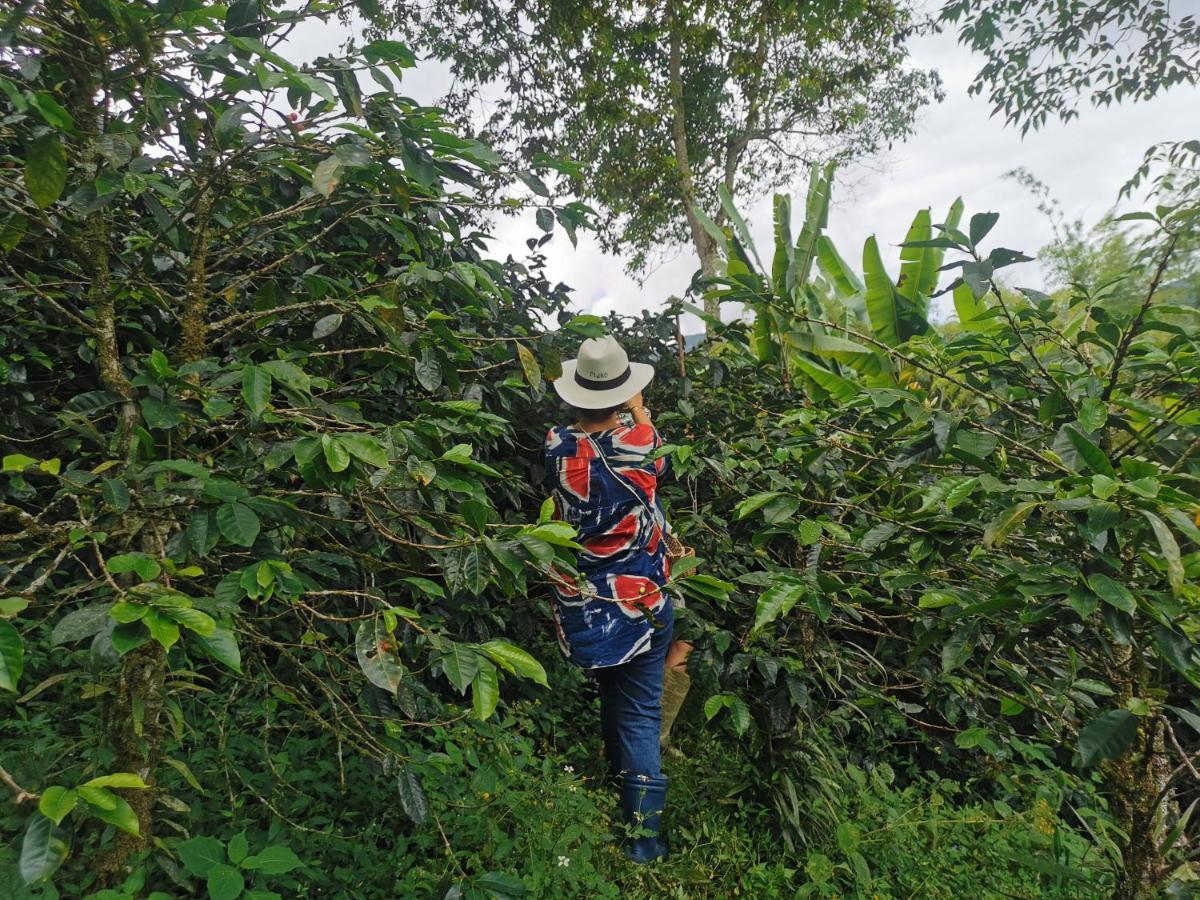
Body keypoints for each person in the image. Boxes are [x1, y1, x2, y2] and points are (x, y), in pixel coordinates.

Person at [543, 334, 684, 864]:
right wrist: (634, 407)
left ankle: (613, 778)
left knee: (612, 693)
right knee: (641, 713)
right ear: (623, 395)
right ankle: (644, 841)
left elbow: (585, 439)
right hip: (640, 602)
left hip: (585, 606)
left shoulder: (557, 447)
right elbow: (651, 456)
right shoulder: (643, 441)